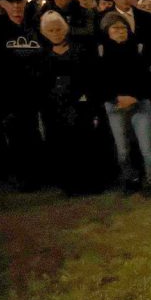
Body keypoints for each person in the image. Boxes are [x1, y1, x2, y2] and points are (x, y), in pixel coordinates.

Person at [97, 12, 151, 197]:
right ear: (106, 30)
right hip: (115, 106)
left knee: (148, 147)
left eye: (124, 28)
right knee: (123, 149)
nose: (121, 31)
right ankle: (130, 179)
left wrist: (134, 96)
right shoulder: (101, 54)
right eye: (116, 28)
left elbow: (148, 79)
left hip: (140, 103)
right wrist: (116, 99)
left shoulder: (137, 50)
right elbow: (99, 82)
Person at [39, 11, 102, 194]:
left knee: (84, 145)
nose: (56, 33)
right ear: (44, 33)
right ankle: (70, 185)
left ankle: (90, 183)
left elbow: (91, 78)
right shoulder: (42, 56)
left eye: (58, 29)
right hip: (55, 108)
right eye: (51, 30)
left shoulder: (80, 50)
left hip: (80, 105)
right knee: (62, 147)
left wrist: (85, 100)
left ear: (65, 29)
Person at [0, 0, 46, 190]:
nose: (16, 7)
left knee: (34, 134)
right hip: (9, 95)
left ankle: (38, 172)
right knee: (16, 137)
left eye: (20, 2)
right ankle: (22, 176)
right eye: (10, 3)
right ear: (1, 4)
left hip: (34, 92)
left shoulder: (33, 26)